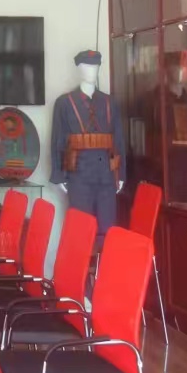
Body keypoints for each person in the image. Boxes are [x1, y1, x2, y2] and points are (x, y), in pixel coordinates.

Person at [49, 49, 123, 238]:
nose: (92, 70)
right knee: (80, 230)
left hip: (106, 174)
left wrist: (121, 174)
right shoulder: (64, 103)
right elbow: (58, 140)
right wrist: (58, 175)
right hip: (78, 174)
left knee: (107, 229)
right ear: (79, 68)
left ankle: (103, 259)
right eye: (87, 66)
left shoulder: (109, 102)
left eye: (95, 66)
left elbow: (118, 140)